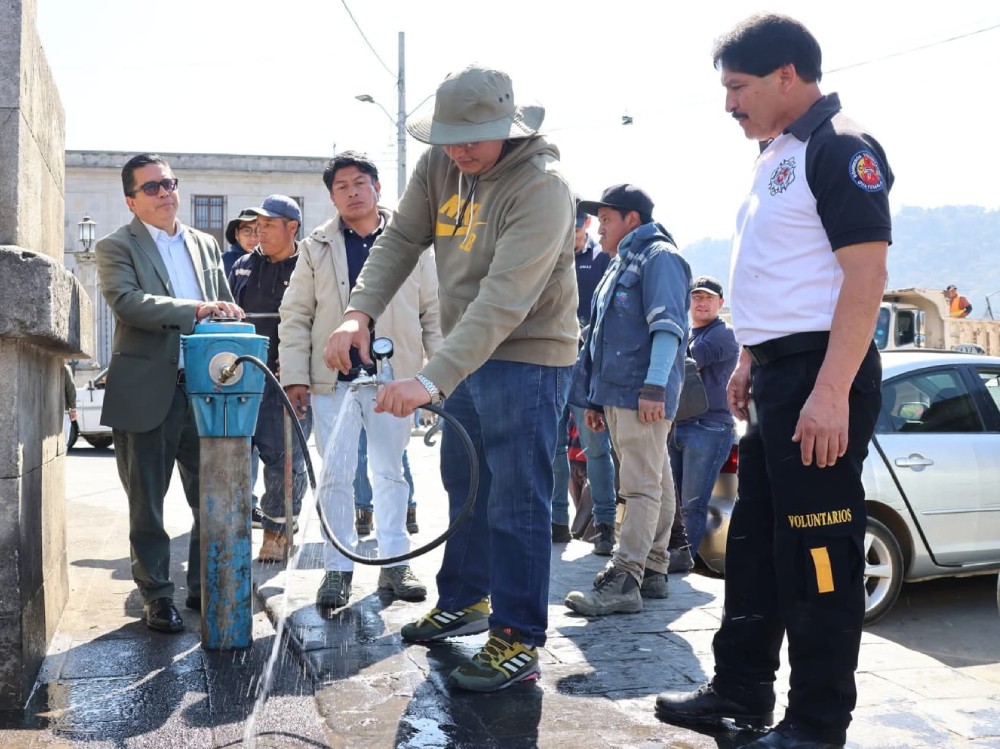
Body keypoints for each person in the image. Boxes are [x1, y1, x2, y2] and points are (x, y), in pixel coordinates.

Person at [654, 15, 892, 749]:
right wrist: (753, 358)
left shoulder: (841, 145)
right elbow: (787, 272)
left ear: (787, 73)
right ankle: (740, 689)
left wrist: (828, 390)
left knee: (820, 556)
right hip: (779, 375)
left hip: (824, 375)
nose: (729, 103)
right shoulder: (775, 153)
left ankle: (817, 724)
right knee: (754, 544)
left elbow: (866, 274)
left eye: (738, 86)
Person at [323, 64, 578, 692]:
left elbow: (503, 301)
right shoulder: (441, 164)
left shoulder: (542, 188)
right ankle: (465, 599)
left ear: (508, 130)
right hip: (469, 352)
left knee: (517, 495)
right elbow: (399, 240)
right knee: (465, 479)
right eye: (450, 138)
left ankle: (518, 638)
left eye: (475, 138)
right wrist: (357, 312)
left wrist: (429, 379)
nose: (461, 151)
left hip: (528, 352)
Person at [278, 151, 441, 608]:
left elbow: (434, 313)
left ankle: (395, 562)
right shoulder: (316, 247)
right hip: (334, 383)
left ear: (377, 188)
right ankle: (338, 566)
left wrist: (436, 377)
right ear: (331, 196)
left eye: (359, 183)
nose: (352, 192)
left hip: (395, 379)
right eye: (341, 187)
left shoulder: (413, 244)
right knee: (335, 476)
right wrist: (295, 375)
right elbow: (295, 316)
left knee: (391, 472)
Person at [96, 153, 243, 633]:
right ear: (131, 200)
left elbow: (224, 303)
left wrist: (228, 315)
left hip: (206, 389)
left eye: (169, 183)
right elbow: (128, 303)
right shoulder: (116, 246)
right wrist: (198, 309)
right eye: (152, 187)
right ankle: (157, 595)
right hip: (147, 392)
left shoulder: (204, 243)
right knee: (148, 504)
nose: (164, 193)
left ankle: (205, 586)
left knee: (213, 497)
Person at [563, 184, 691, 616]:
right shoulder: (624, 262)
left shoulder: (660, 259)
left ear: (632, 220)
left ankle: (625, 576)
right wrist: (597, 400)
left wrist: (654, 387)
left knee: (637, 487)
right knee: (656, 480)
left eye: (606, 220)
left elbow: (668, 328)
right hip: (621, 394)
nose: (599, 230)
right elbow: (603, 336)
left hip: (642, 396)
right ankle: (654, 569)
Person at [229, 194, 312, 562]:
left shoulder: (309, 265)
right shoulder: (244, 265)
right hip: (246, 377)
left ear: (292, 227)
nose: (259, 230)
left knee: (285, 459)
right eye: (256, 225)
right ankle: (237, 532)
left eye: (268, 224)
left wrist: (298, 368)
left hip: (289, 380)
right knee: (239, 456)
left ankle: (279, 533)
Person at [550, 198, 617, 549]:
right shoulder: (549, 255)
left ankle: (605, 524)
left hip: (588, 368)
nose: (570, 235)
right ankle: (557, 521)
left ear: (586, 225)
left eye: (575, 229)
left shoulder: (603, 258)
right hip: (551, 362)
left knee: (596, 449)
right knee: (553, 448)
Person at [665, 275, 739, 572]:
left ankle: (681, 565)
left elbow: (684, 361)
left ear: (721, 303)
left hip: (709, 426)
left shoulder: (723, 334)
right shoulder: (690, 332)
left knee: (691, 504)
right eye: (696, 297)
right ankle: (671, 557)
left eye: (708, 298)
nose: (702, 302)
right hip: (680, 424)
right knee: (672, 501)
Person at [222, 209, 258, 276]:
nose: (253, 238)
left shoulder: (275, 262)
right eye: (246, 231)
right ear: (237, 234)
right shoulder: (221, 262)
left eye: (258, 231)